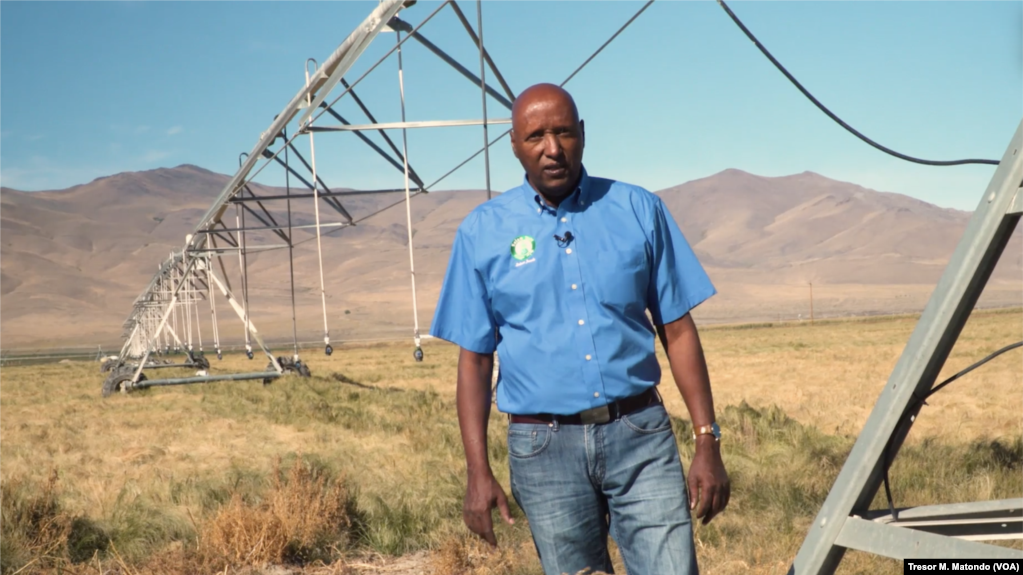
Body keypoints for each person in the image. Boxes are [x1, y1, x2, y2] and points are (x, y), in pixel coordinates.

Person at [430, 83, 729, 575]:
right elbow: (476, 360)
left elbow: (677, 329)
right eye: (536, 137)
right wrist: (477, 472)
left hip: (640, 434)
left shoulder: (638, 209)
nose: (552, 148)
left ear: (583, 135)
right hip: (542, 449)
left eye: (564, 132)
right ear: (514, 145)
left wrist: (706, 440)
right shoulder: (483, 231)